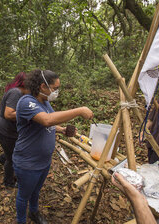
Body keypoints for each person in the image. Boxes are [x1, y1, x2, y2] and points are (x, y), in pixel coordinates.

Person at [12, 69, 94, 224]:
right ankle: (21, 220)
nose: (56, 91)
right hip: (28, 162)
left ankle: (34, 213)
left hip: (44, 160)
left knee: (36, 191)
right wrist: (79, 110)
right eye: (55, 88)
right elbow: (46, 120)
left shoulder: (45, 102)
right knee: (24, 195)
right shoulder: (26, 102)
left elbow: (48, 124)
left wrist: (62, 130)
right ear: (43, 86)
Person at [0, 72, 28, 188]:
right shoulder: (16, 92)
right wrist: (29, 114)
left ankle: (0, 160)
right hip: (5, 131)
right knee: (12, 157)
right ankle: (8, 182)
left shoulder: (20, 92)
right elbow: (8, 114)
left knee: (11, 149)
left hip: (5, 129)